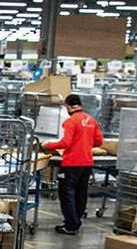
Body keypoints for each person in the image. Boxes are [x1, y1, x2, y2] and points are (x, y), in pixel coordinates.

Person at [42, 93, 103, 236]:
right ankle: (76, 220)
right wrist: (84, 143)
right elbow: (99, 142)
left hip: (72, 164)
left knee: (66, 193)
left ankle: (71, 224)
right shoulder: (91, 120)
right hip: (87, 163)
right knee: (81, 193)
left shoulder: (70, 122)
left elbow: (66, 143)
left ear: (68, 106)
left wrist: (48, 145)